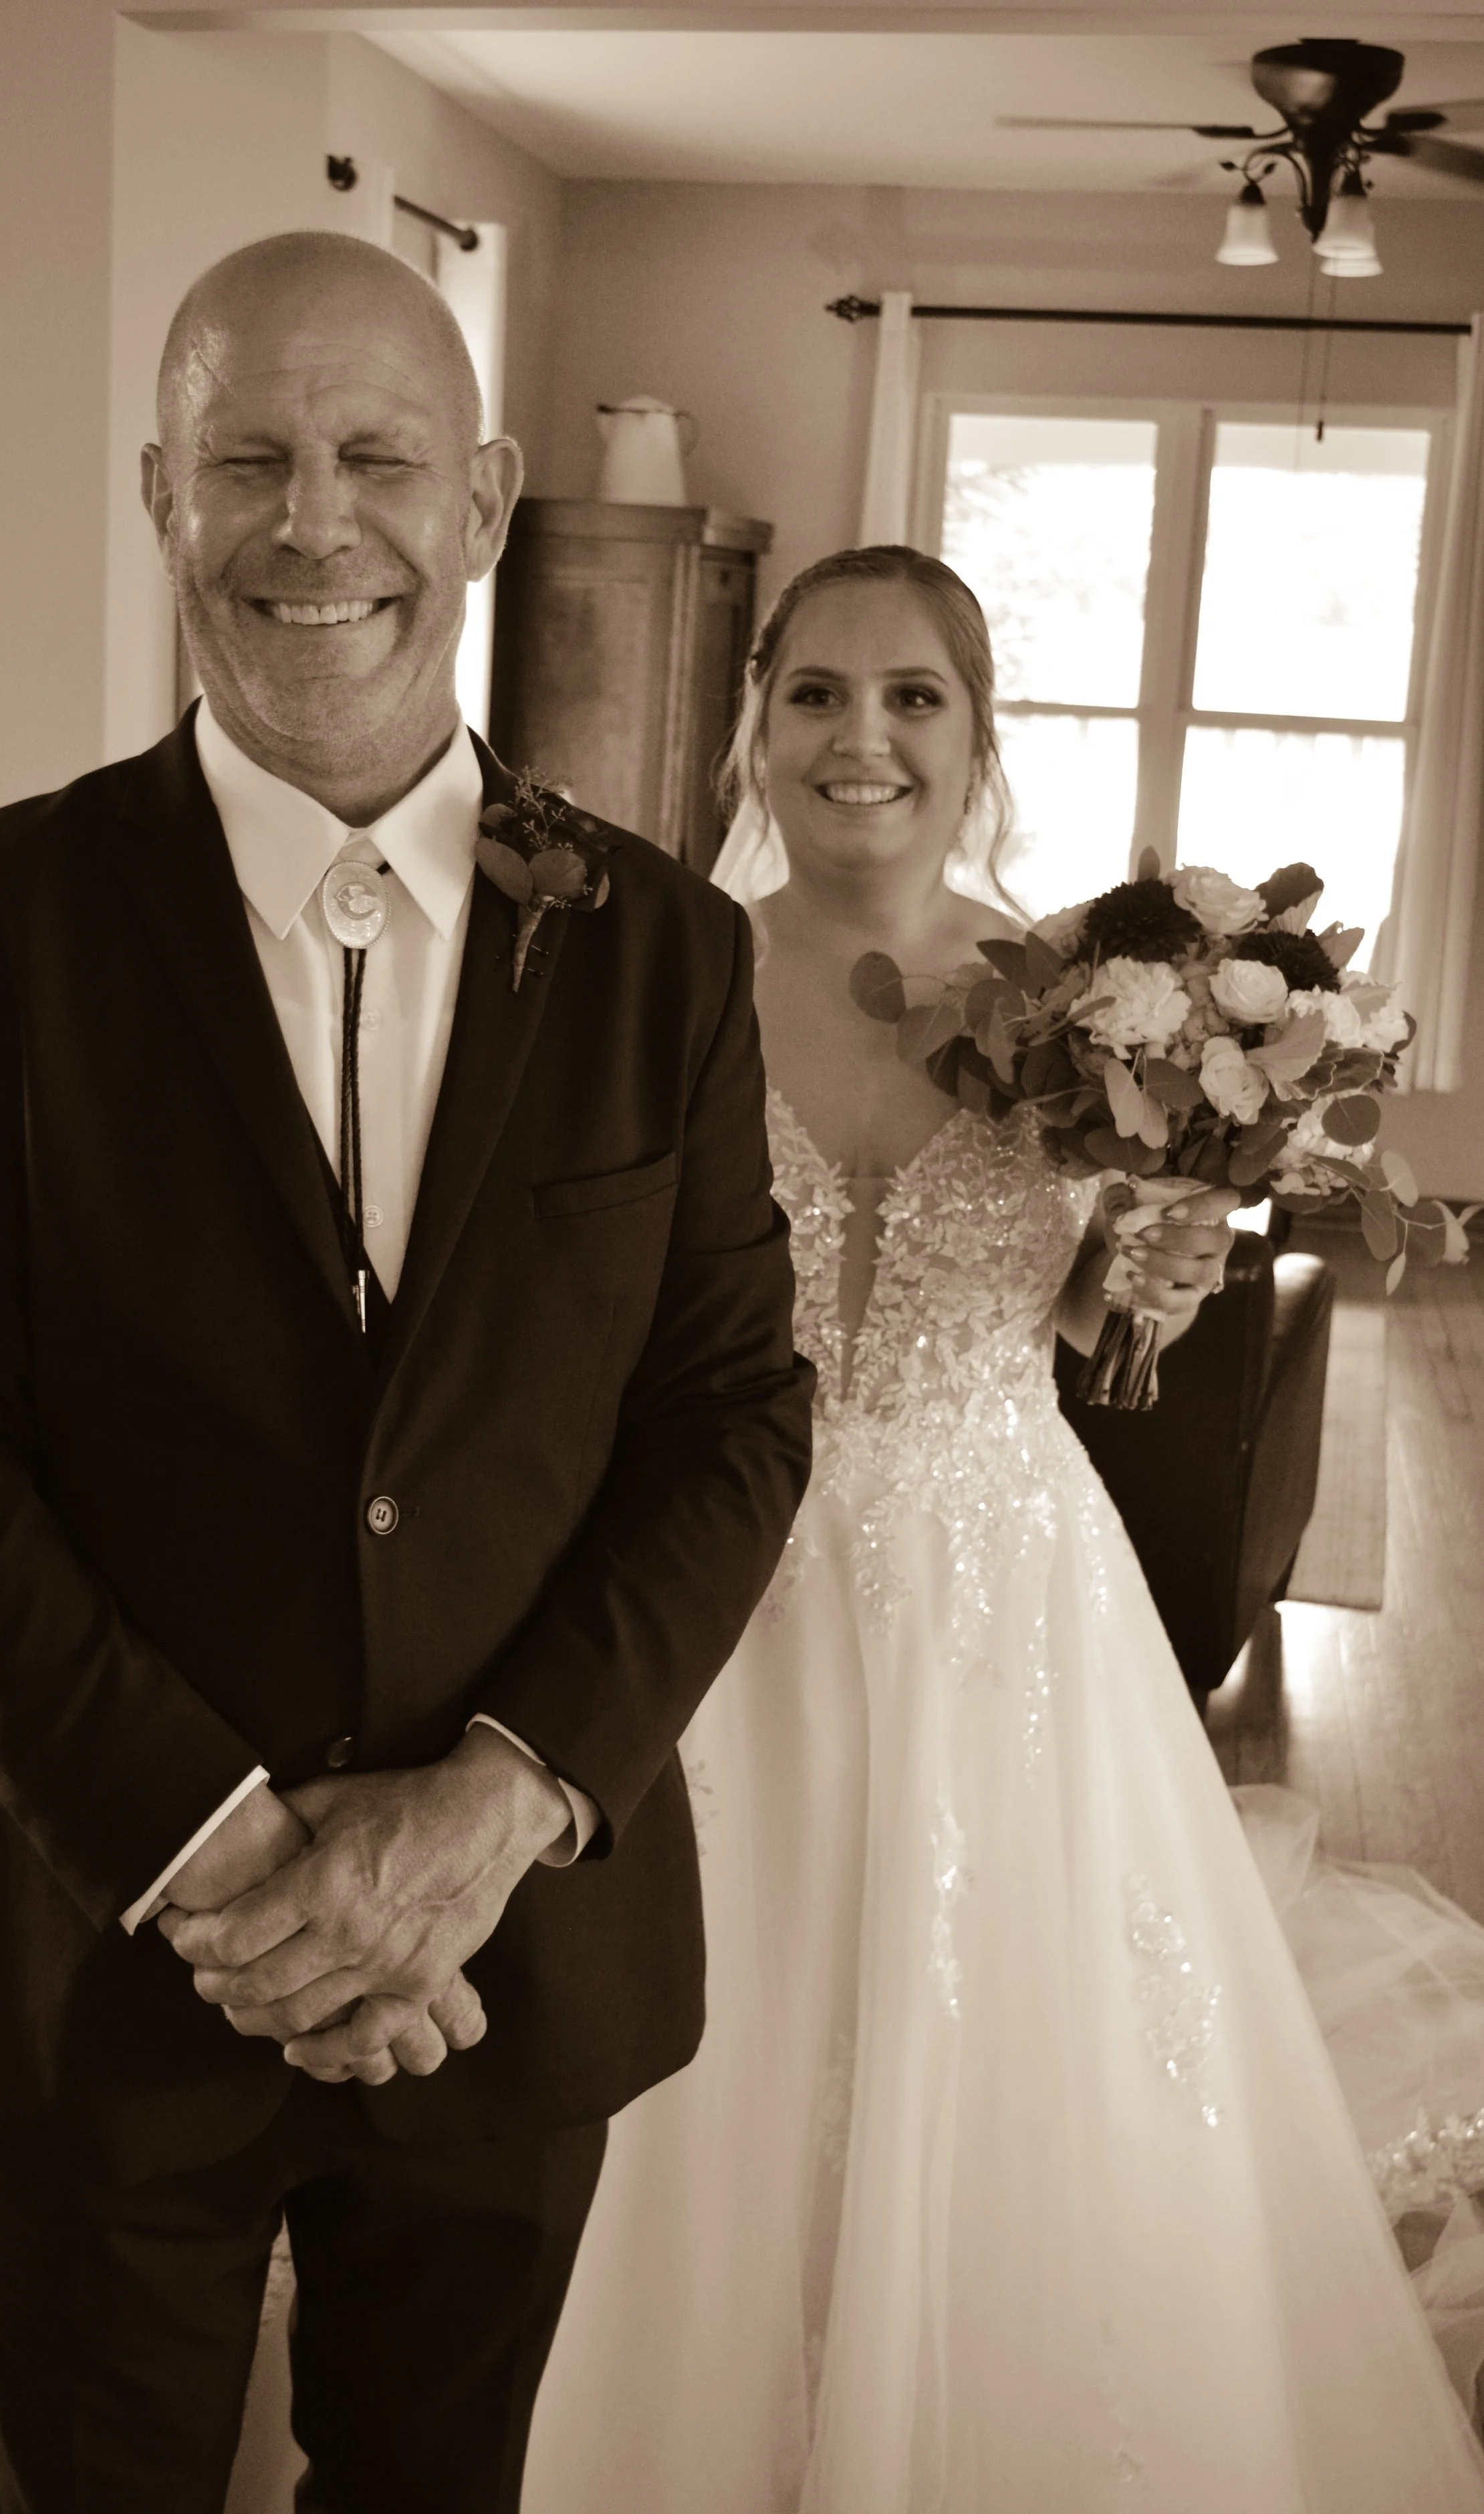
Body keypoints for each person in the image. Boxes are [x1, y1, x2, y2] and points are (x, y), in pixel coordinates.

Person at [0, 231, 814, 2514]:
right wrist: (232, 1863)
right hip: (91, 1956)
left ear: (483, 502)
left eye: (375, 457)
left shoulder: (661, 947)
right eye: (246, 458)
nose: (312, 520)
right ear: (158, 494)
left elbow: (731, 1418)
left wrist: (489, 1812)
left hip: (508, 1960)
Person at [521, 546, 1484, 2512]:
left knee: (1005, 2071)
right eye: (813, 693)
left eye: (911, 697)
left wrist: (1151, 1278)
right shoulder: (656, 975)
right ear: (753, 729)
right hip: (706, 1590)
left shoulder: (1085, 1008)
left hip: (997, 1589)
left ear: (976, 739)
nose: (858, 738)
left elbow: (1083, 1318)